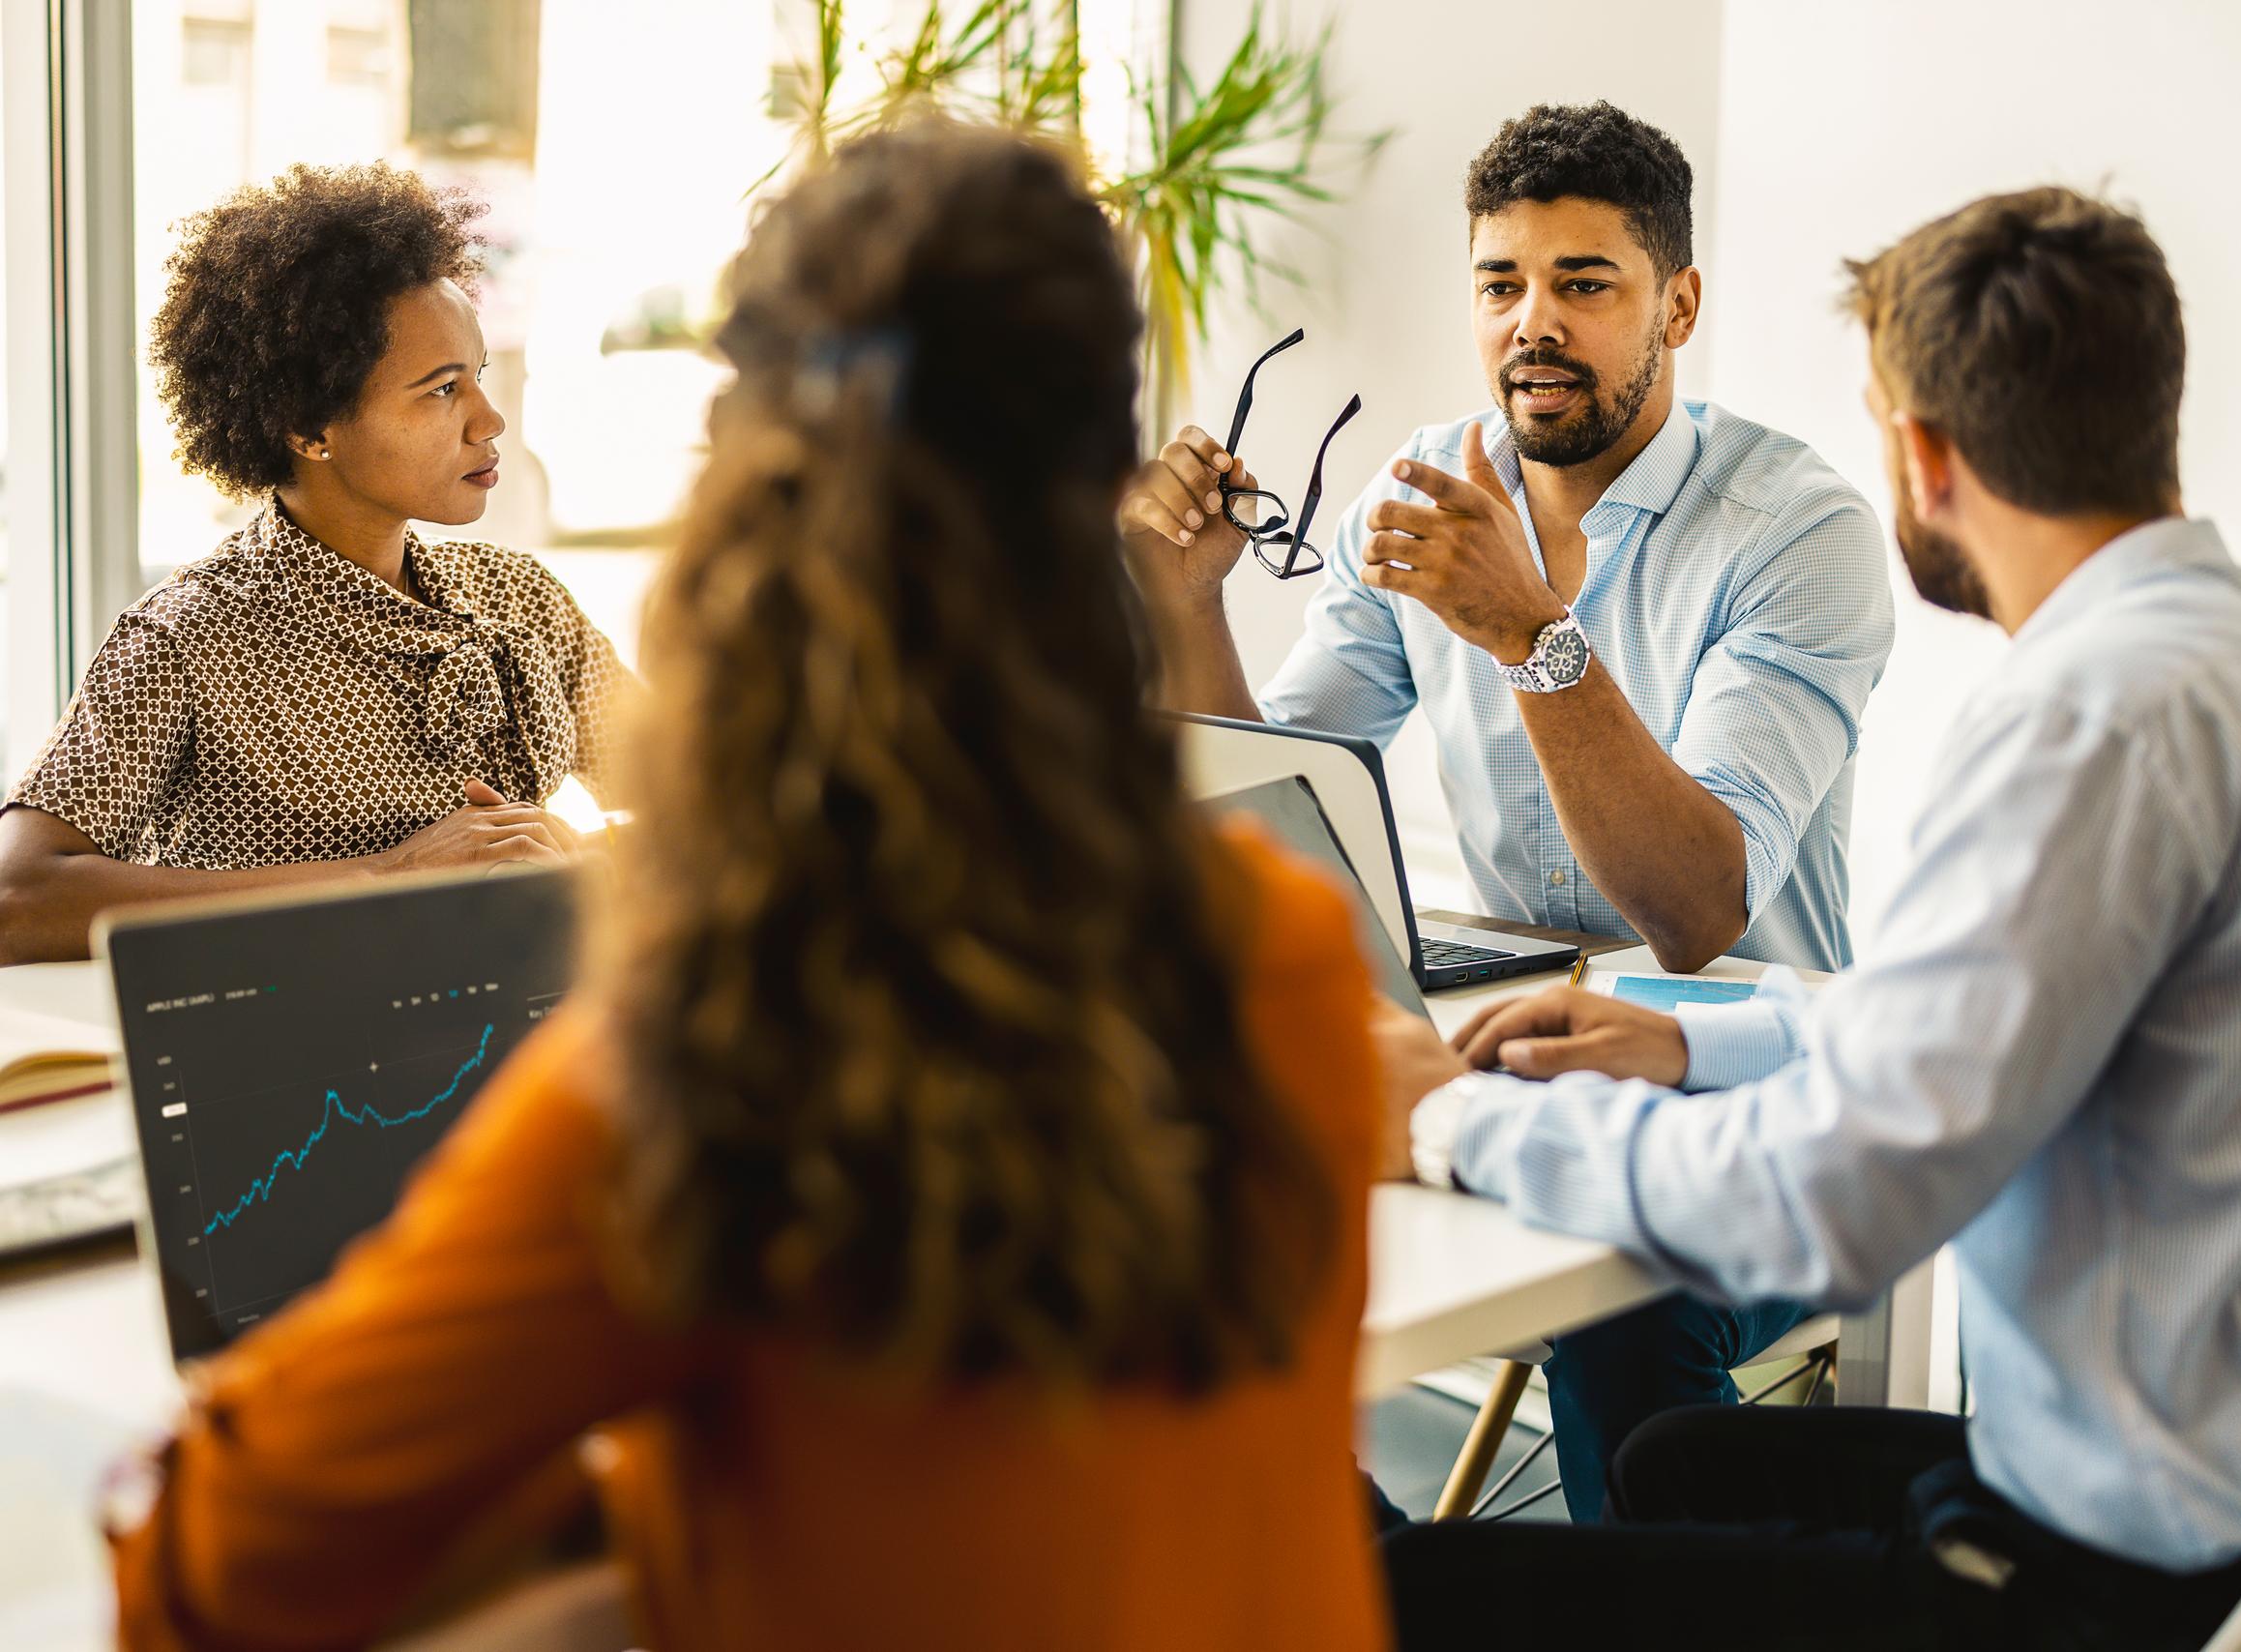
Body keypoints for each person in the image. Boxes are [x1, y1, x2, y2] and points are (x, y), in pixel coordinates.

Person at [107, 125, 1390, 1652]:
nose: (485, 421)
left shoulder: (703, 1068)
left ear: (747, 506)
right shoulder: (1288, 952)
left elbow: (209, 1569)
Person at [1373, 186, 2241, 1650]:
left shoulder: (2092, 720)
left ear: (1924, 454)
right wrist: (1689, 1050)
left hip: (2115, 1584)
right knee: (1671, 1465)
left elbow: (1826, 1206)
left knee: (1400, 1584)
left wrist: (1449, 1125)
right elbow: (1975, 1032)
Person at [1123, 100, 1893, 1523]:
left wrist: (1532, 636)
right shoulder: (1422, 493)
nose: (1532, 323)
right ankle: (1353, 1562)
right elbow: (1276, 801)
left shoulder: (1799, 531)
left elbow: (1698, 906)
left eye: (1584, 285)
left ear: (1679, 303)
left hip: (1750, 1080)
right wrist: (1190, 607)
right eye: (1501, 285)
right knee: (1193, 1204)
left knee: (1623, 1316)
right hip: (1504, 1052)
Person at [0, 162, 627, 964]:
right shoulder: (189, 640)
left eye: (479, 378)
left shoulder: (522, 598)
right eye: (441, 390)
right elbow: (19, 900)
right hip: (299, 1067)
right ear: (308, 427)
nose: (489, 419)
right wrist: (385, 877)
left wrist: (583, 860)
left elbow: (702, 808)